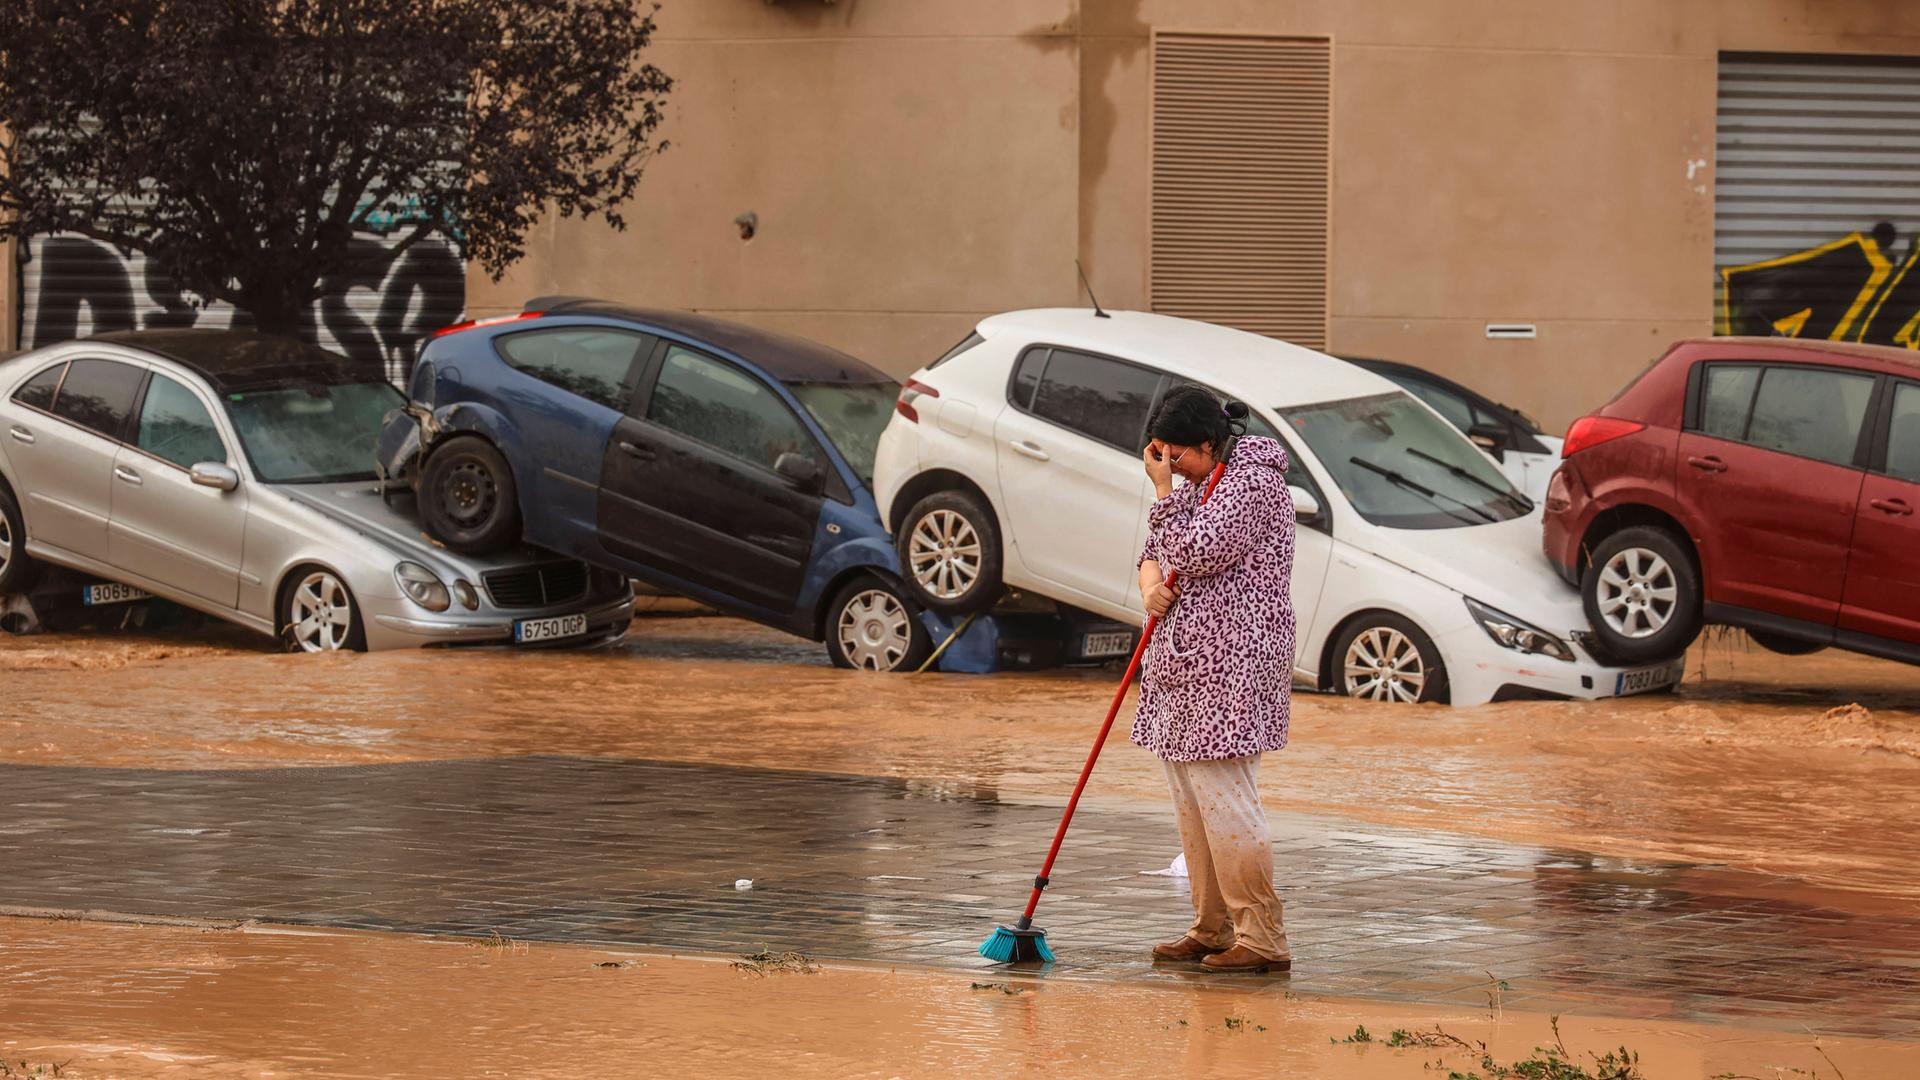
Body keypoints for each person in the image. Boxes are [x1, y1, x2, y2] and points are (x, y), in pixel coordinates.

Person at [1134, 384, 1296, 974]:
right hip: (1181, 666)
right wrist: (1150, 584)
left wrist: (1161, 489)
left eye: (1177, 455)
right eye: (1160, 457)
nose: (1170, 467)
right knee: (1192, 803)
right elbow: (1154, 548)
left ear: (1209, 442)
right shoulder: (1203, 485)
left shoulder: (1254, 484)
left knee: (1227, 801)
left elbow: (1198, 549)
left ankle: (1262, 937)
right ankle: (1211, 926)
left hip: (1233, 666)